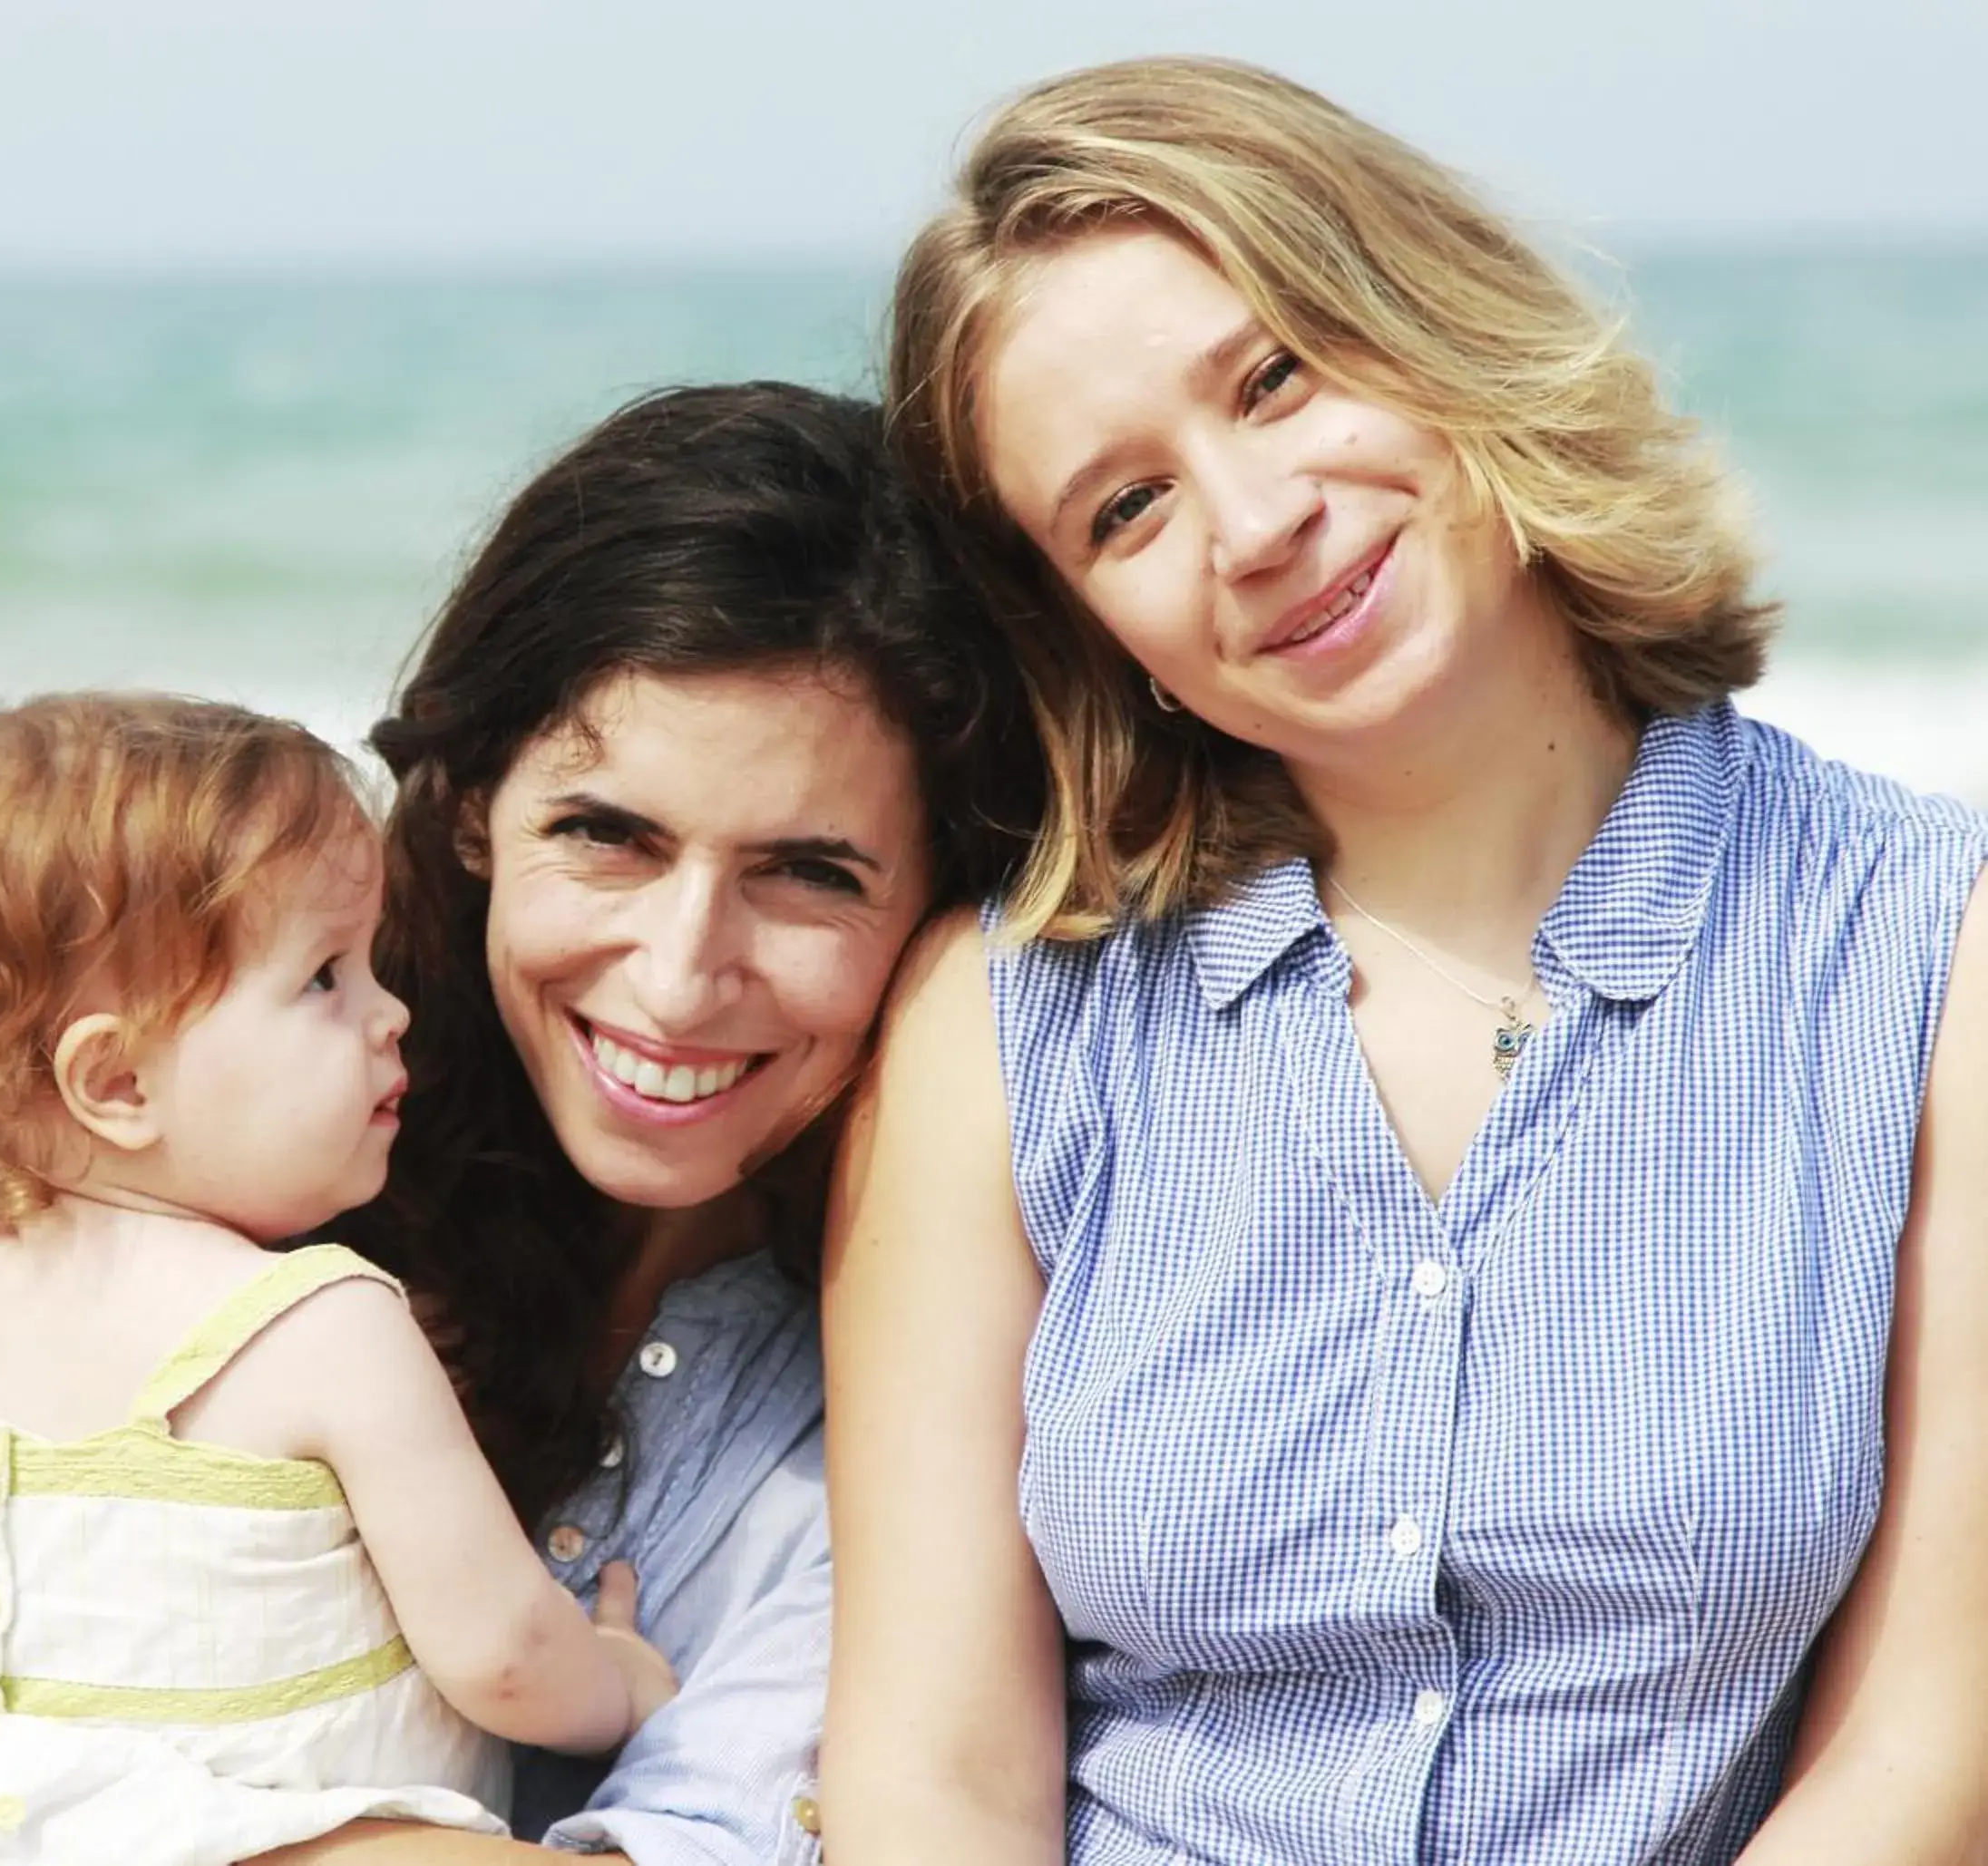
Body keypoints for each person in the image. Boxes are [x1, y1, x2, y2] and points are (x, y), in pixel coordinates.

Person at [0, 380, 1041, 1866]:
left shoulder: (905, 1395)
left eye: (810, 872)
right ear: (470, 813)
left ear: (934, 908)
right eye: (604, 834)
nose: (679, 969)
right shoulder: (125, 1225)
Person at [823, 50, 1988, 1866]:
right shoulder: (1003, 1028)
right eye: (1123, 510)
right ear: (1093, 630)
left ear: (1431, 324)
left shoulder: (1931, 960)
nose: (1257, 521)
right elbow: (933, 1776)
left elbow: (1926, 1753)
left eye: (1275, 378)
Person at [0, 689, 687, 1858]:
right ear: (115, 1083)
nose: (392, 1013)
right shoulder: (322, 1326)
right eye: (324, 977)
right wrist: (621, 1682)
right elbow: (507, 1658)